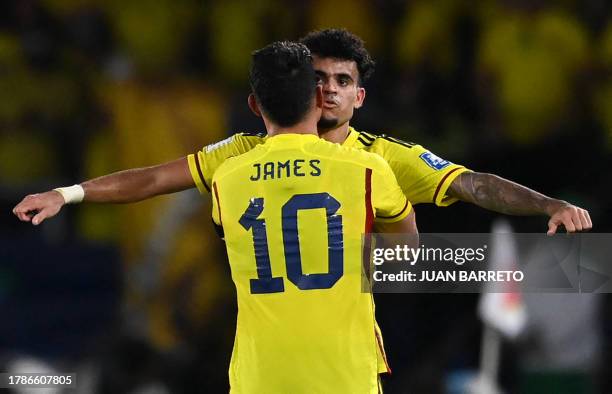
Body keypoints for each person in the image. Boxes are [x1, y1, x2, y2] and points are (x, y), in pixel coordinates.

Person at [12, 29, 590, 233]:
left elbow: (474, 185)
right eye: (319, 77)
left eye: (344, 80)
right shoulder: (245, 149)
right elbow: (155, 177)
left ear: (359, 97)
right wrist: (71, 192)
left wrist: (547, 204)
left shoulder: (385, 156)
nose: (331, 88)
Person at [209, 40, 416, 393]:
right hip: (344, 373)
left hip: (260, 376)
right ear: (319, 100)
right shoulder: (365, 169)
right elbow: (406, 254)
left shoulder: (226, 178)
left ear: (255, 106)